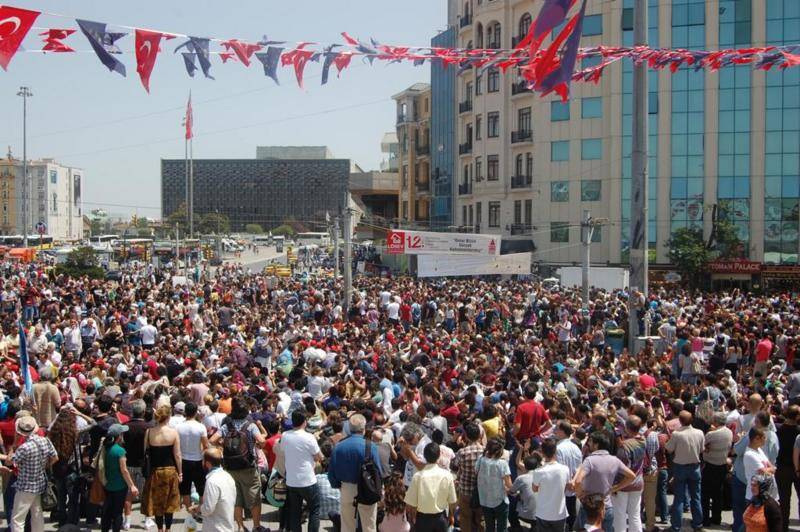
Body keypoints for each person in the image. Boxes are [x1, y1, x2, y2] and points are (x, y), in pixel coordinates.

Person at [209, 396, 266, 532]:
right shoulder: (250, 425)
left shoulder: (226, 426)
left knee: (236, 498)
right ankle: (256, 526)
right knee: (254, 498)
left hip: (231, 467)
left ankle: (240, 526)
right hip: (248, 467)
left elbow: (212, 440)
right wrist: (258, 444)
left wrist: (222, 443)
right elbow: (261, 441)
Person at [327, 413, 383, 532]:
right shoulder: (370, 446)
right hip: (367, 488)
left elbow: (331, 472)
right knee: (369, 526)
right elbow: (378, 471)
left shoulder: (339, 447)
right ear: (363, 429)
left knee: (347, 526)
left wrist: (338, 485)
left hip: (347, 488)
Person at [572, 432, 636, 532]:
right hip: (607, 506)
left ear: (596, 444)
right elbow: (632, 476)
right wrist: (615, 488)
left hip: (590, 508)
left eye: (591, 442)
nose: (589, 444)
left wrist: (581, 496)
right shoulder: (615, 460)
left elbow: (578, 481)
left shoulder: (589, 460)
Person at [8, 415, 58, 532]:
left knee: (17, 519)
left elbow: (10, 461)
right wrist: (43, 466)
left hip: (25, 486)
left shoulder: (24, 447)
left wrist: (14, 444)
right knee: (37, 514)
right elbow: (55, 457)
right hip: (40, 483)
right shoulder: (45, 441)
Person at [141, 405, 181, 532]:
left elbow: (145, 452)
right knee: (170, 502)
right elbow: (177, 455)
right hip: (170, 470)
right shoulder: (173, 432)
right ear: (168, 417)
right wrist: (180, 472)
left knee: (157, 502)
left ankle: (159, 529)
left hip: (155, 471)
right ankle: (168, 529)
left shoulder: (149, 432)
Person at [282, 409, 323, 532]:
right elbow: (319, 457)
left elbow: (283, 450)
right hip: (308, 480)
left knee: (295, 511)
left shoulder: (285, 435)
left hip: (292, 481)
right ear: (305, 422)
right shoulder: (309, 437)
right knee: (314, 509)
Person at [664, 411, 705, 532]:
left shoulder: (677, 434)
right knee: (696, 497)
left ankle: (676, 526)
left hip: (680, 467)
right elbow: (702, 449)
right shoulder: (699, 433)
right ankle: (698, 524)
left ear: (680, 421)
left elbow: (669, 448)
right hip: (695, 467)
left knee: (679, 498)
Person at [404, 442, 457, 532]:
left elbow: (410, 503)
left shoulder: (418, 476)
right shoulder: (447, 475)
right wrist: (451, 515)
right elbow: (452, 501)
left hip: (423, 520)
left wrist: (412, 518)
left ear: (425, 456)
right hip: (441, 518)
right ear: (439, 455)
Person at [101, 424, 139, 532]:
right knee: (117, 513)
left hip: (107, 484)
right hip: (119, 486)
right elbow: (124, 470)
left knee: (107, 511)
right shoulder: (120, 451)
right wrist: (132, 486)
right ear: (119, 436)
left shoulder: (105, 448)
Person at [613, 416, 645, 532]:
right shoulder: (643, 441)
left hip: (623, 485)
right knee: (635, 515)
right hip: (638, 482)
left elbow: (620, 469)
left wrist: (615, 487)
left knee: (620, 515)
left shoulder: (624, 447)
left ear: (626, 428)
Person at [451, 422, 485, 532]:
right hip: (481, 491)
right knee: (480, 519)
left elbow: (455, 466)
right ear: (480, 435)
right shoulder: (485, 451)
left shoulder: (462, 452)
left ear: (466, 436)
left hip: (465, 491)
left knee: (465, 519)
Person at [193, 448, 236, 532]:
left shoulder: (212, 481)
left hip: (216, 528)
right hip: (227, 525)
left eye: (203, 460)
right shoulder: (228, 476)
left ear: (207, 463)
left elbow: (208, 509)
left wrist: (198, 509)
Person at [531, 438, 569, 532]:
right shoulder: (565, 469)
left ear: (542, 453)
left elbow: (534, 489)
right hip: (559, 513)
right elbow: (566, 487)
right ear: (555, 451)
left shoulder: (538, 471)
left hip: (543, 513)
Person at [176, 402, 209, 510]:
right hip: (197, 460)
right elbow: (206, 445)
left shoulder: (178, 427)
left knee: (185, 489)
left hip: (183, 461)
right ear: (196, 413)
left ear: (185, 412)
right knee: (201, 488)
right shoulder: (201, 427)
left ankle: (190, 511)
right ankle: (200, 509)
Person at [703, 411, 733, 527]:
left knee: (705, 494)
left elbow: (703, 446)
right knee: (717, 493)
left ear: (715, 421)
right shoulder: (729, 432)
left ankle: (705, 519)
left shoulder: (711, 435)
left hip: (710, 465)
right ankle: (716, 517)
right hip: (722, 465)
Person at [476, 437, 512, 532]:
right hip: (499, 500)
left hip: (484, 499)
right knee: (502, 528)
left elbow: (476, 472)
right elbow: (509, 484)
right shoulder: (502, 464)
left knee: (489, 527)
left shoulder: (480, 459)